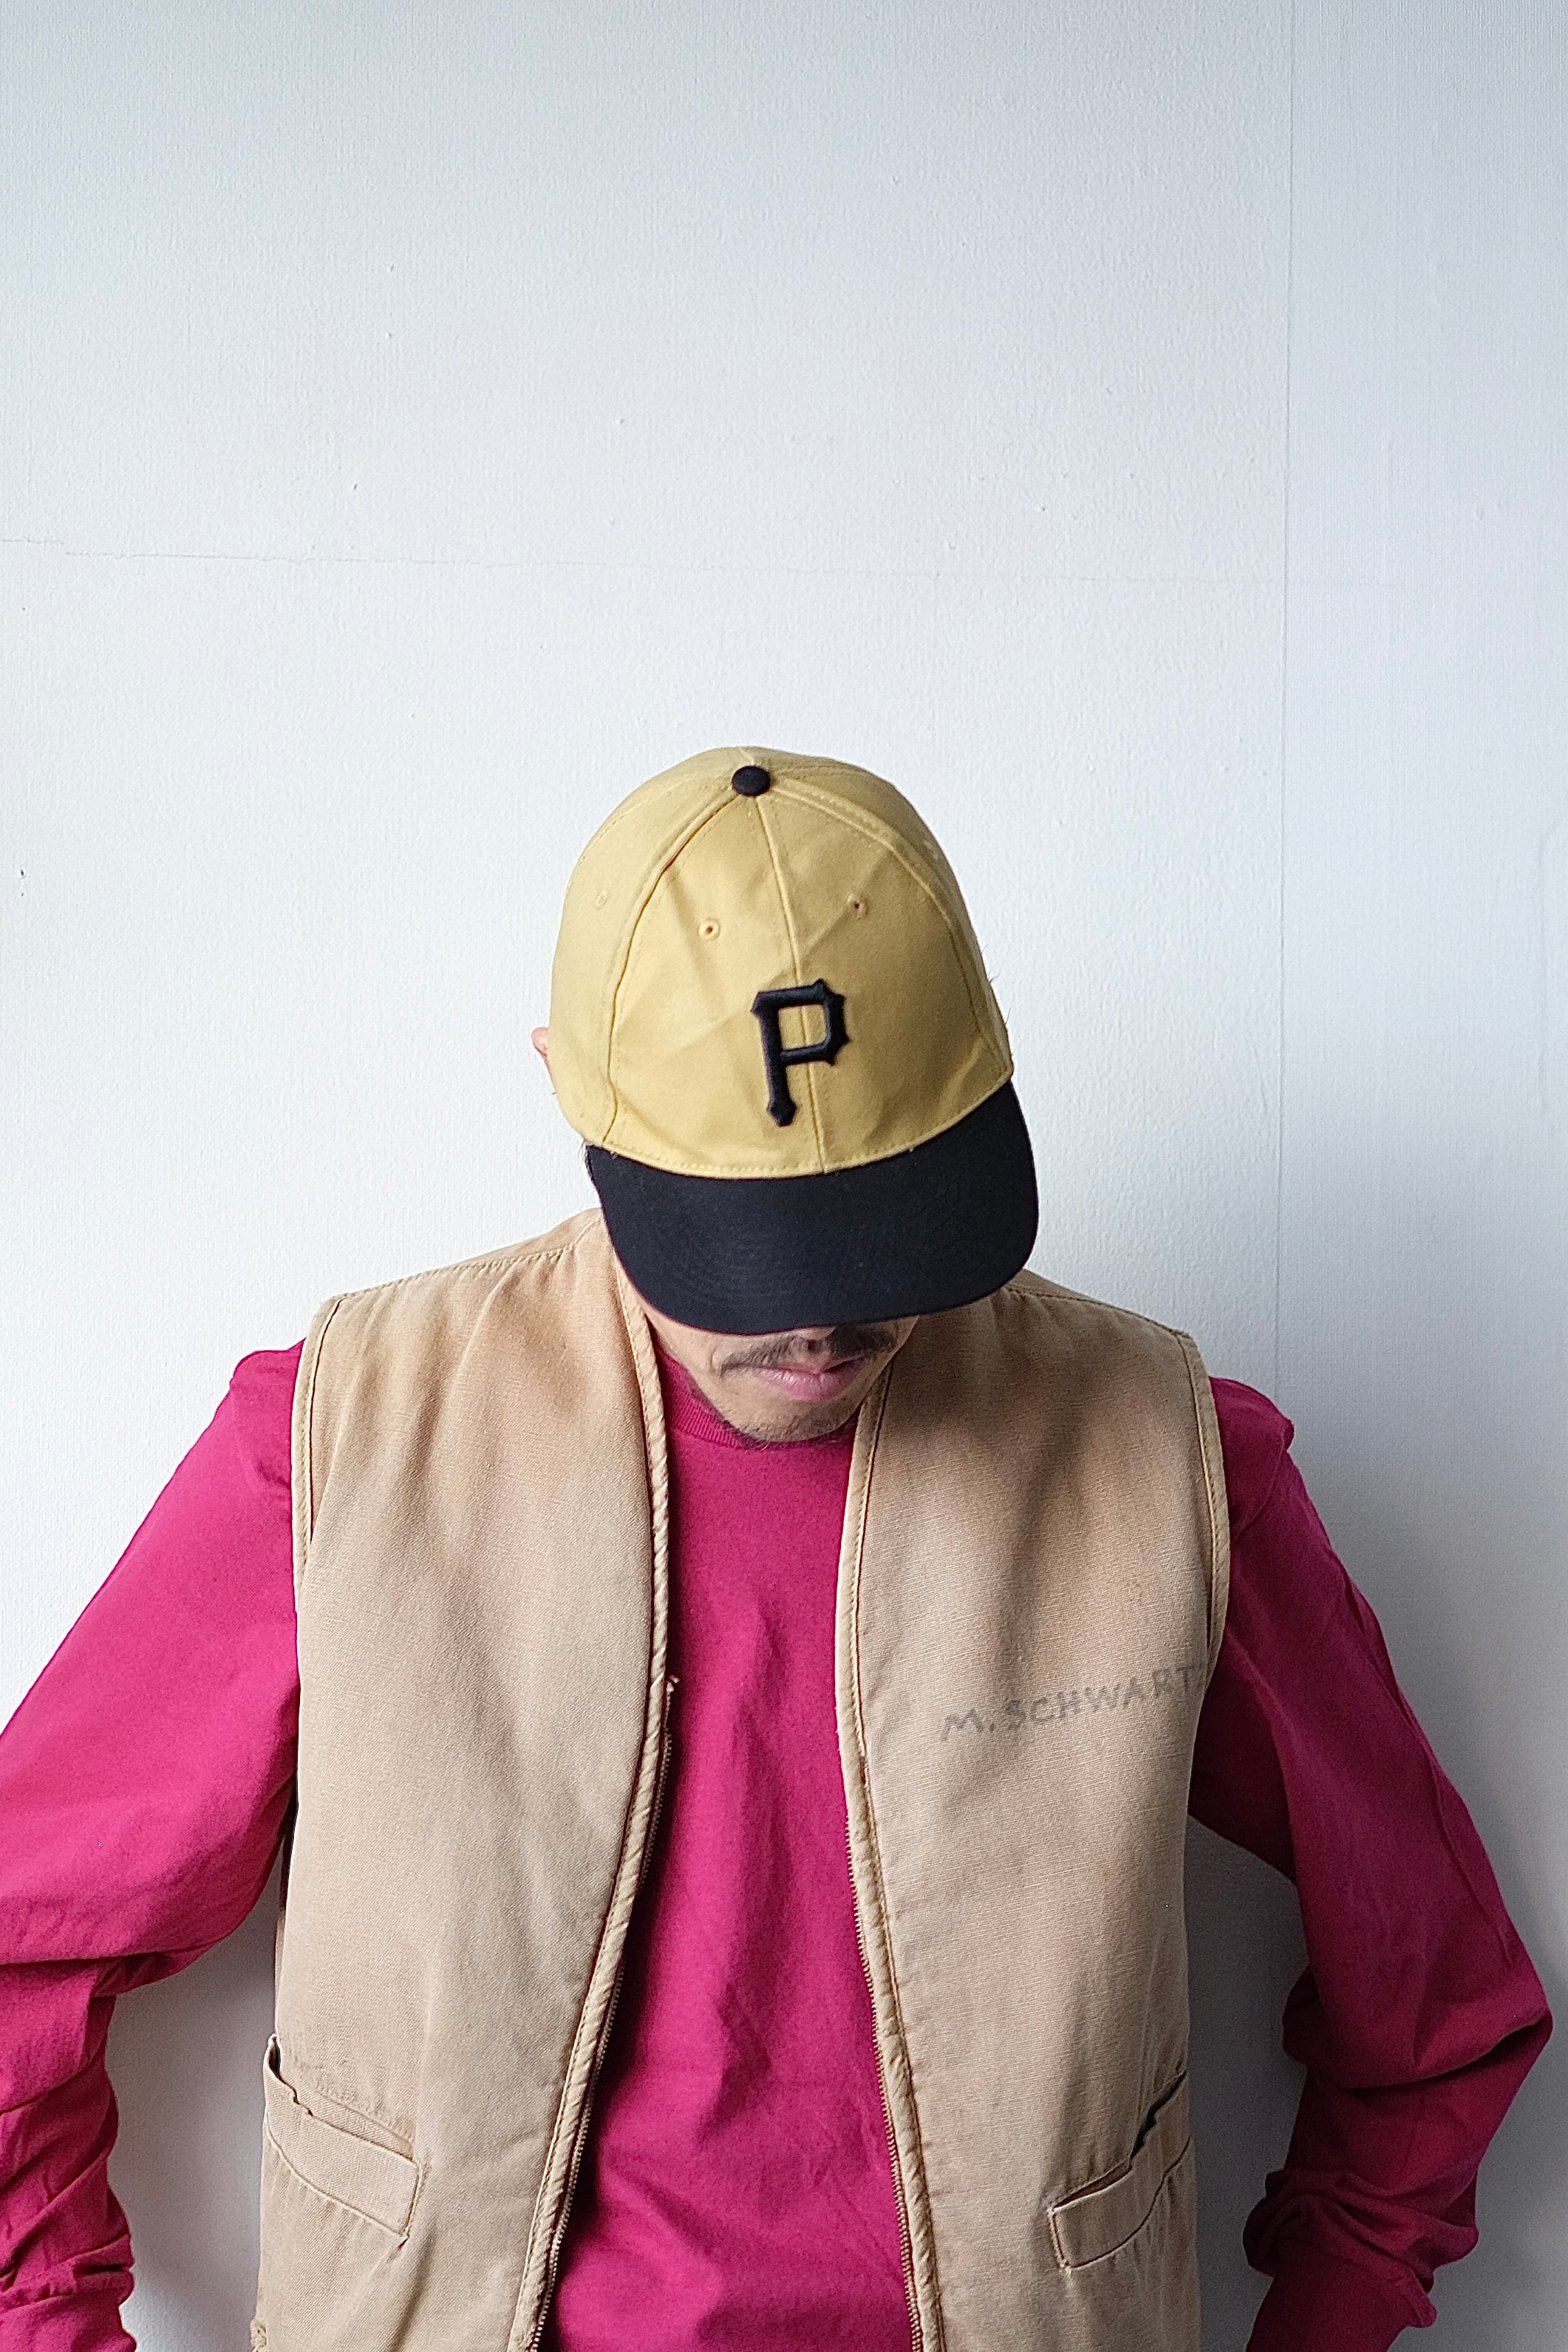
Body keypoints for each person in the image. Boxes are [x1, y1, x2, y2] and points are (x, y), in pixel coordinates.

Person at [0, 747, 1548, 2352]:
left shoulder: (1165, 1465)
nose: (817, 1317)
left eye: (878, 1224)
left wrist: (1331, 2310)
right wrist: (52, 2318)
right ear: (565, 1087)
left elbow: (1438, 2001)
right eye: (737, 1244)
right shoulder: (344, 1447)